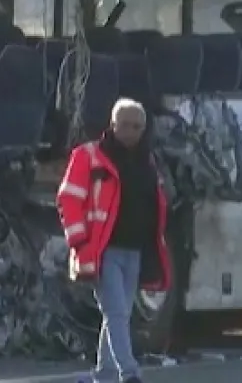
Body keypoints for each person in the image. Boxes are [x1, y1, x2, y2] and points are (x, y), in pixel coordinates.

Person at [56, 98, 171, 383]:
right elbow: (69, 199)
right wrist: (79, 241)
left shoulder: (147, 162)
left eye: (137, 127)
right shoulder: (88, 156)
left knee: (119, 315)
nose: (131, 132)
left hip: (134, 251)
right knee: (116, 312)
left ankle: (104, 375)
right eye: (125, 125)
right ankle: (129, 373)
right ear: (112, 124)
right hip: (102, 251)